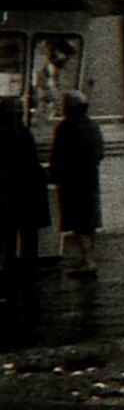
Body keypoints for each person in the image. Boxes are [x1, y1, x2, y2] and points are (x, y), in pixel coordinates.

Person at [47, 92, 104, 276]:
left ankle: (88, 260)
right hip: (90, 180)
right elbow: (100, 153)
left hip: (72, 182)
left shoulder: (65, 128)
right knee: (88, 222)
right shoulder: (93, 126)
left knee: (79, 223)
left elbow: (58, 156)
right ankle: (89, 258)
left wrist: (54, 174)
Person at [0, 96, 49, 293]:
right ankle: (29, 272)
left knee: (9, 235)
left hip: (10, 192)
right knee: (28, 236)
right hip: (28, 191)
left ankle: (9, 271)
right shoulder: (24, 133)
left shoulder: (4, 134)